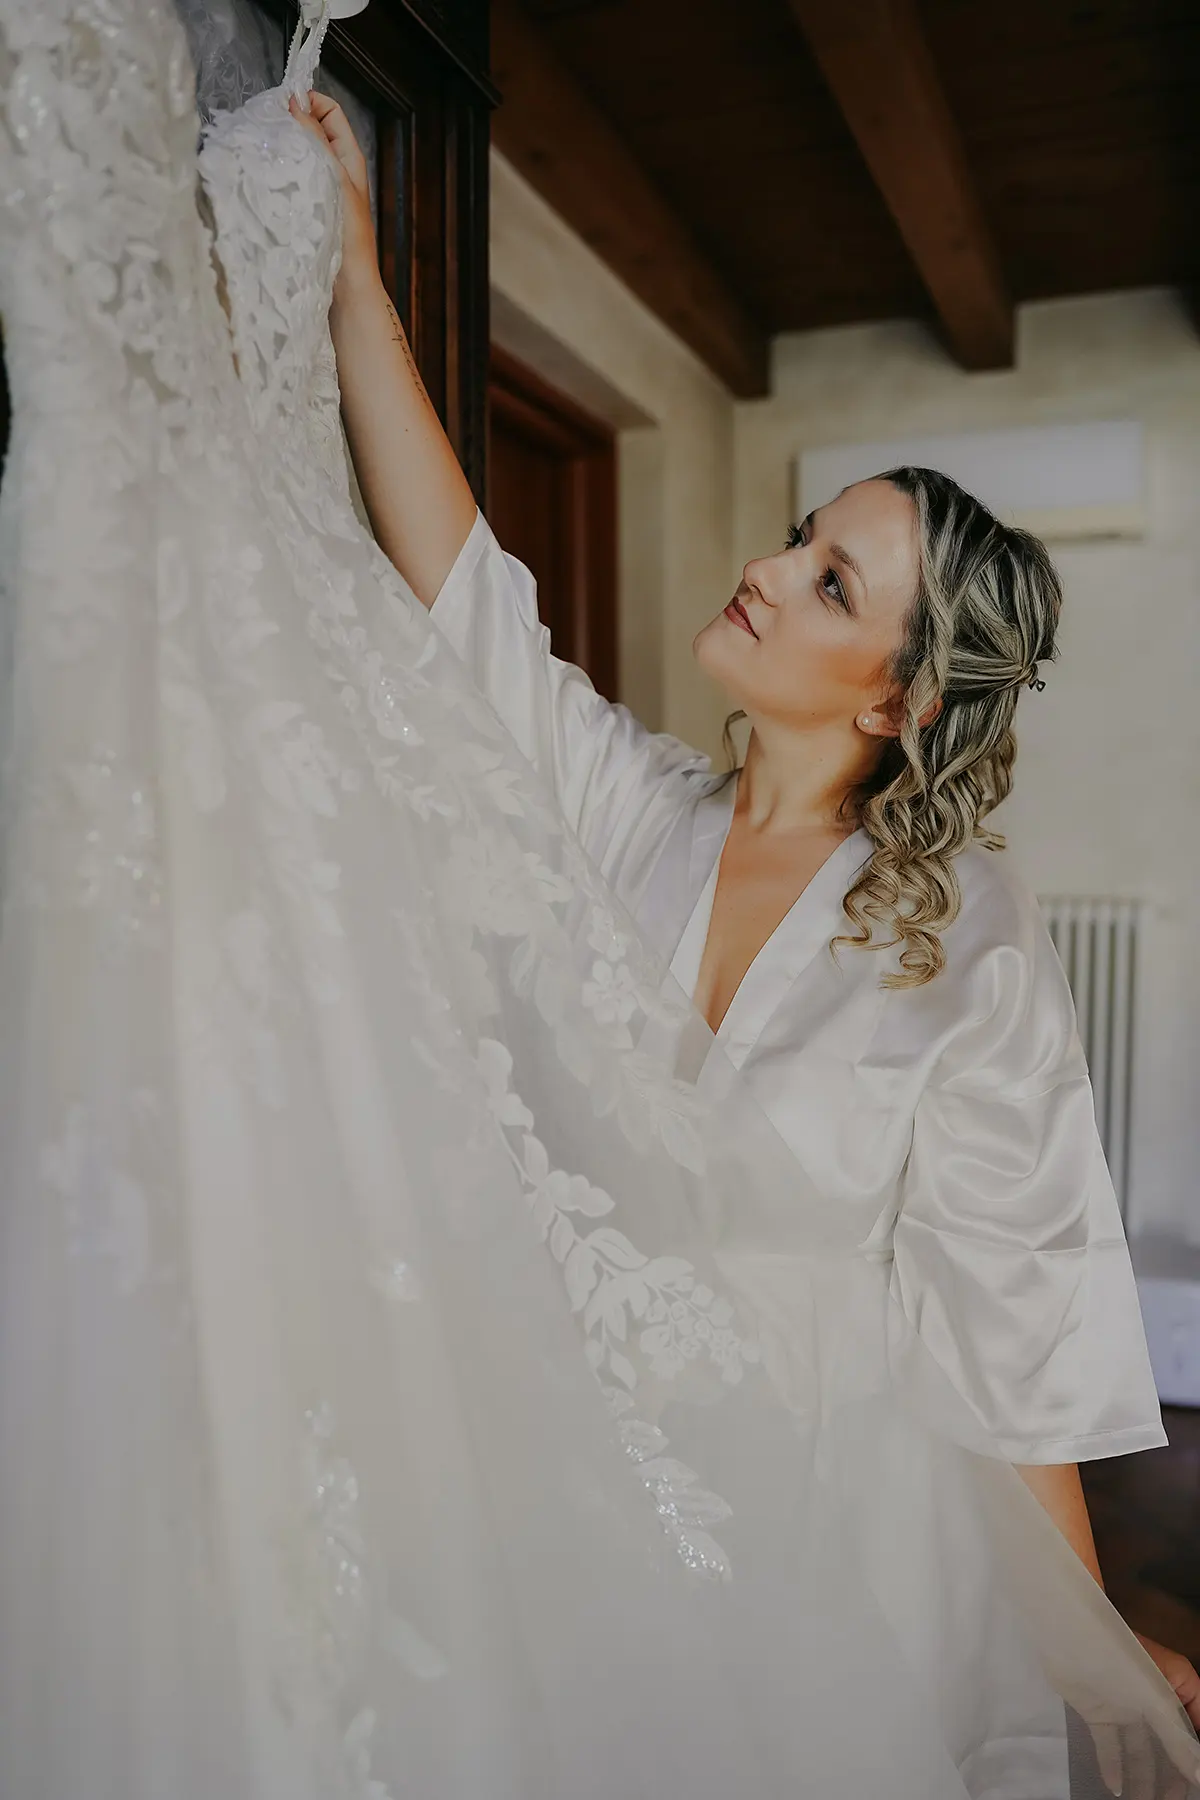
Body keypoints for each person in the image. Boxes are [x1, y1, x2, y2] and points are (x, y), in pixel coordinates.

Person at [295, 82, 1200, 1749]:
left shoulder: (965, 939)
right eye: (801, 541)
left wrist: (1096, 1654)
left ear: (901, 701)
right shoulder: (636, 808)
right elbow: (465, 600)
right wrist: (355, 267)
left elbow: (1012, 1318)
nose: (769, 573)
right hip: (570, 1452)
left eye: (831, 583)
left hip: (816, 1507)